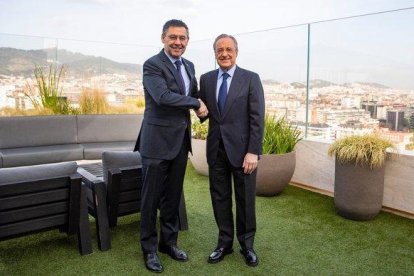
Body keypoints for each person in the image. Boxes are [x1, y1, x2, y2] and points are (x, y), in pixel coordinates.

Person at [134, 19, 208, 273]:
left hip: (179, 143)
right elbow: (163, 97)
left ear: (188, 40)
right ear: (163, 38)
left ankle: (169, 243)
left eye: (182, 38)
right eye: (173, 37)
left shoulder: (189, 65)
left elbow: (195, 95)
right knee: (150, 199)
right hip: (155, 143)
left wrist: (205, 108)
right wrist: (196, 104)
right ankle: (149, 249)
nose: (178, 42)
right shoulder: (152, 65)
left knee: (172, 197)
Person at [198, 34, 265, 267]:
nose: (224, 54)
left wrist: (253, 151)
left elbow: (257, 119)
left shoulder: (250, 79)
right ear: (214, 53)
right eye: (219, 50)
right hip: (216, 150)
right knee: (220, 198)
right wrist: (199, 111)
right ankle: (224, 244)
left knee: (245, 200)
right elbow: (205, 111)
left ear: (236, 52)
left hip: (243, 153)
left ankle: (247, 246)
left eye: (228, 49)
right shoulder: (206, 79)